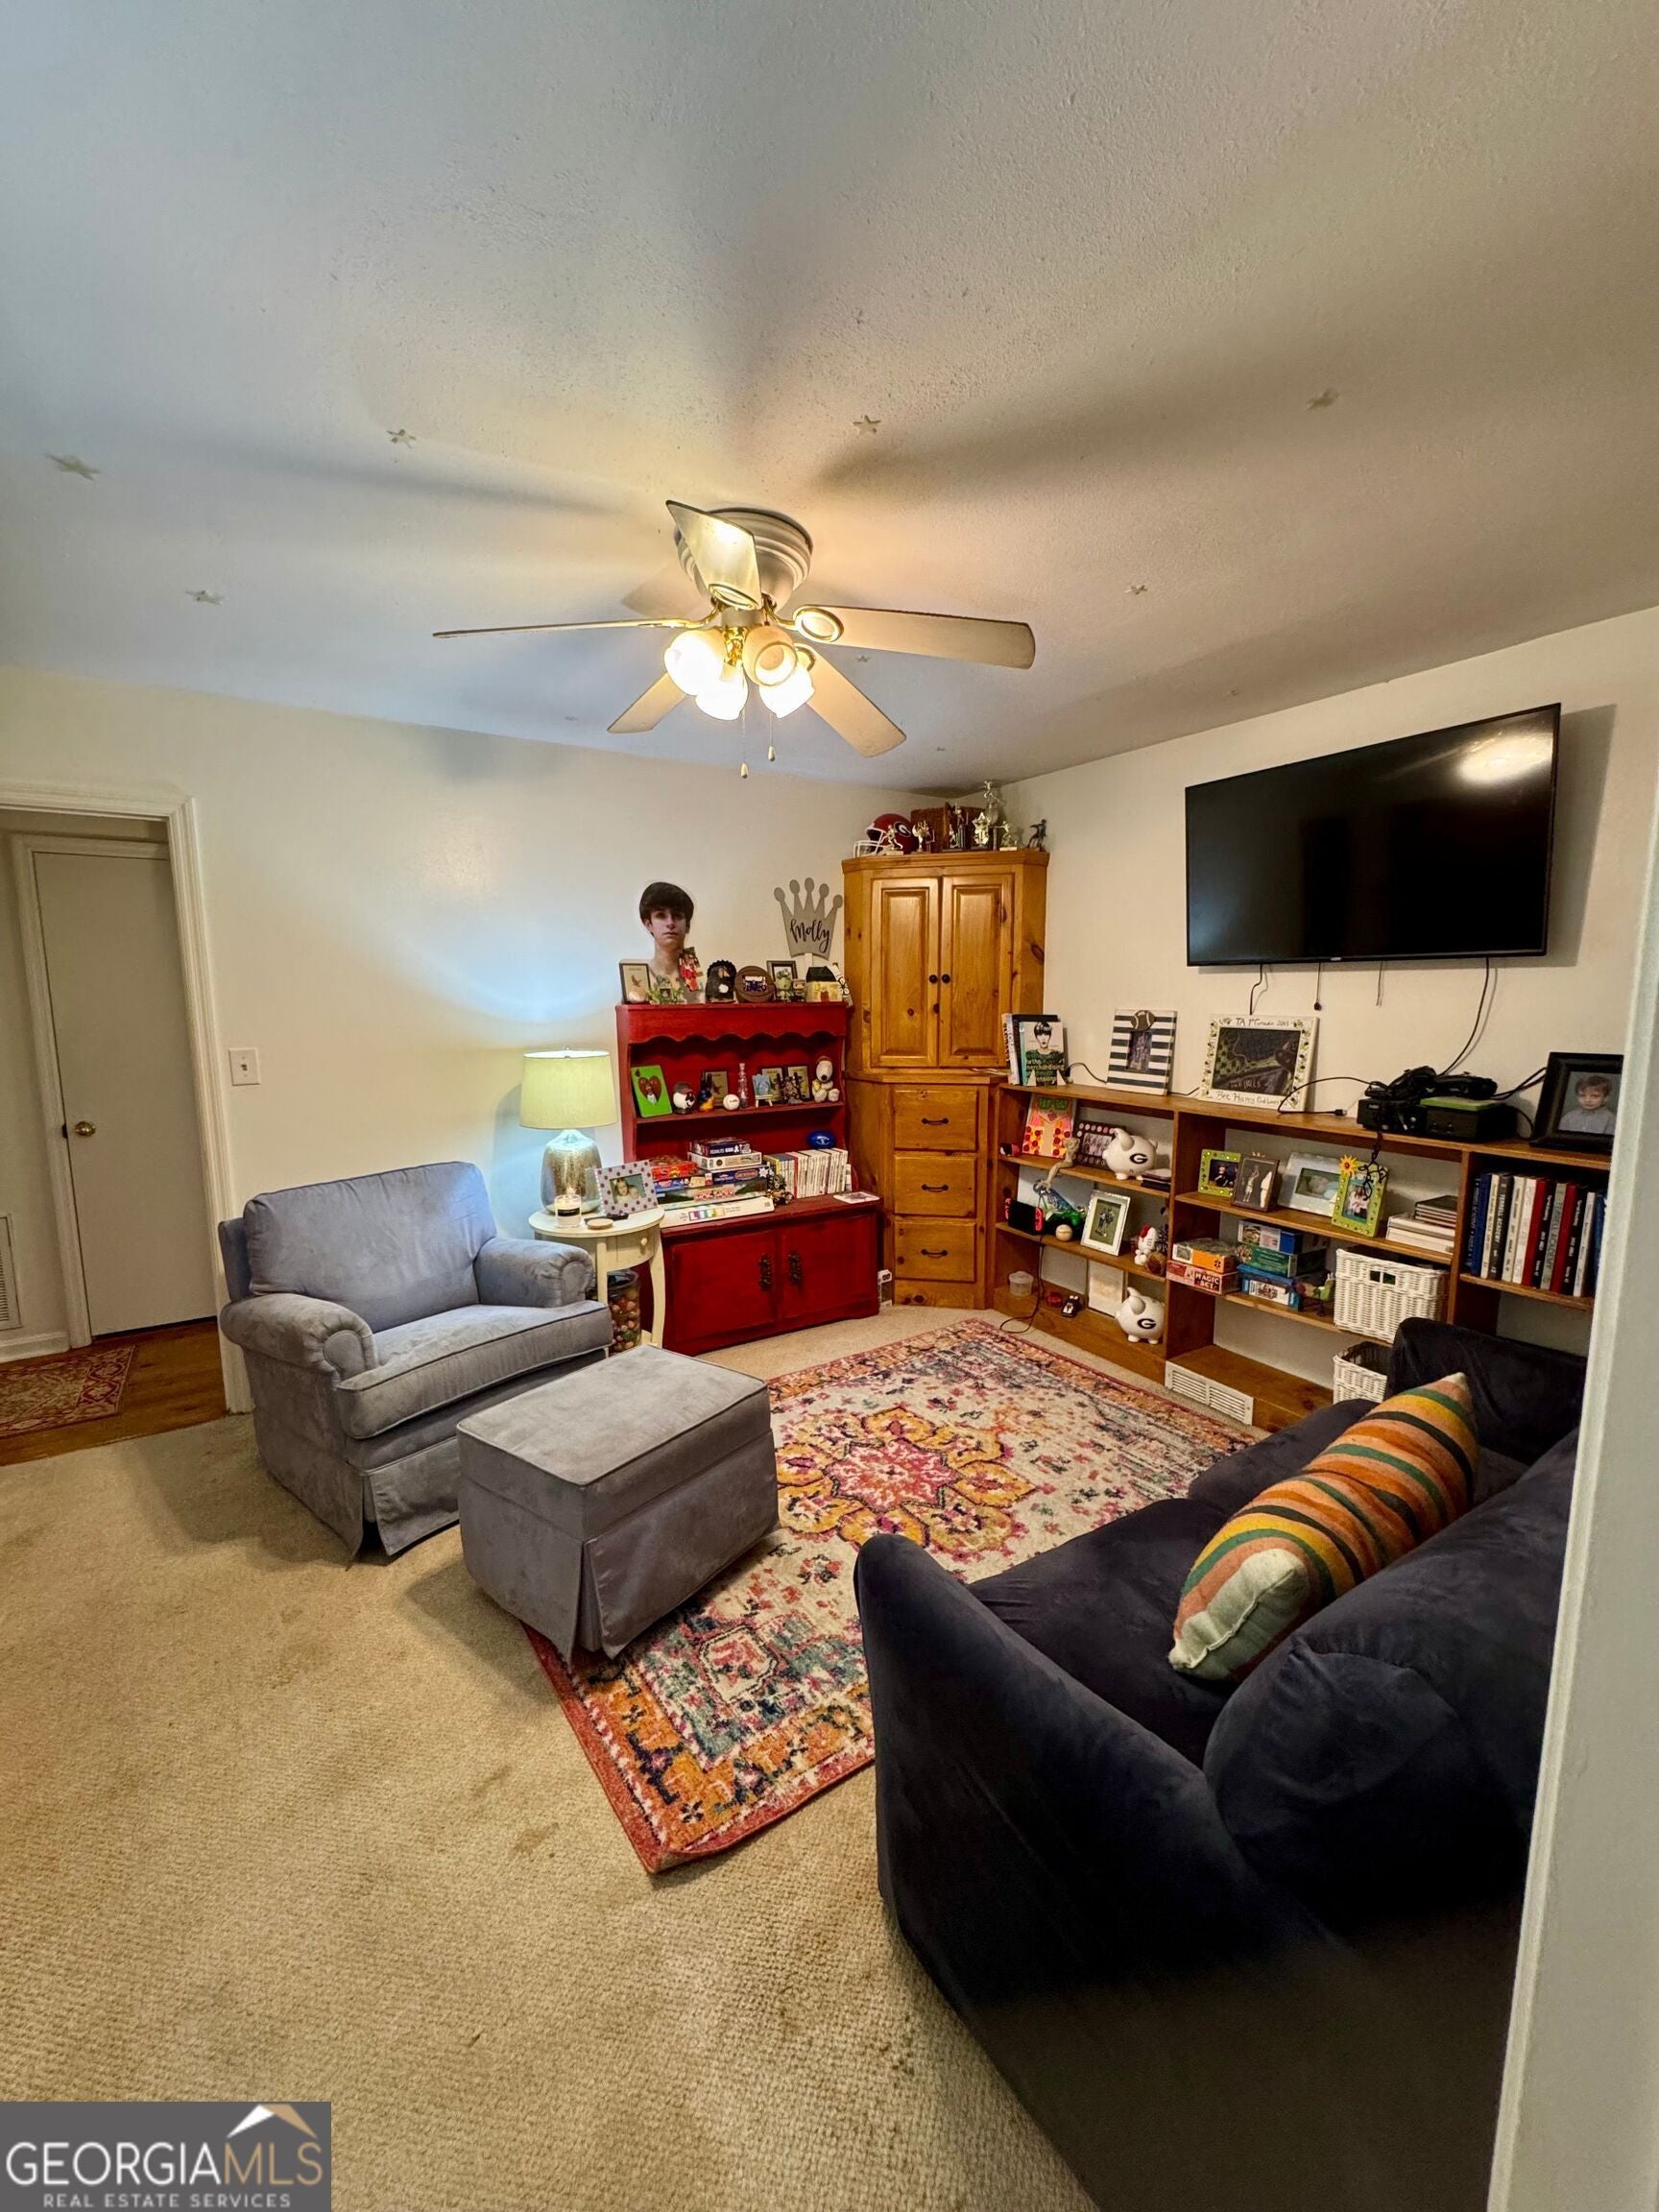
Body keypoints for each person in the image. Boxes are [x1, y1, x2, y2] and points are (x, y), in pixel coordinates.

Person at [637, 881, 698, 1001]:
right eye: (661, 915)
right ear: (649, 924)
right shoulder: (640, 980)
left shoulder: (702, 981)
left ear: (687, 926)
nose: (670, 923)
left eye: (677, 915)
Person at [1559, 1070, 1617, 1136]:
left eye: (1594, 1096)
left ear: (1605, 1098)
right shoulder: (1569, 1117)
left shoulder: (1611, 1120)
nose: (1587, 1100)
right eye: (1582, 1095)